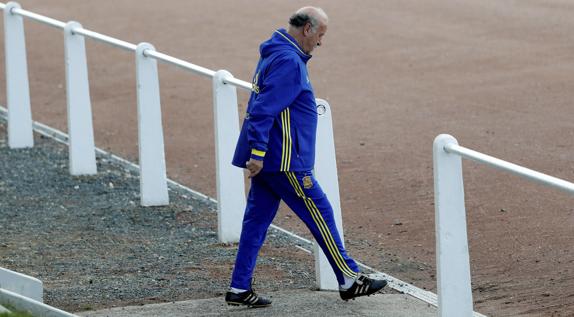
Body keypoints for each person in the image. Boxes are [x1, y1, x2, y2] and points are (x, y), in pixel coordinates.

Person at [225, 6, 387, 308]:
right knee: (320, 212)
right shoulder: (289, 61)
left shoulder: (276, 52)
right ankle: (350, 277)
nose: (321, 43)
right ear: (308, 29)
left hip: (273, 160)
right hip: (284, 161)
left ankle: (239, 287)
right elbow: (263, 109)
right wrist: (258, 152)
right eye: (321, 35)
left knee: (255, 222)